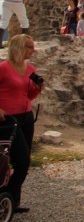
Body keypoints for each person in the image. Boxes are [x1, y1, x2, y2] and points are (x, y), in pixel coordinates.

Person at [0, 34, 43, 212]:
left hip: (26, 117)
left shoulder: (30, 68)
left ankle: (13, 201)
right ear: (19, 47)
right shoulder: (3, 68)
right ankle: (6, 197)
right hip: (9, 119)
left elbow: (30, 95)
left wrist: (38, 87)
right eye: (29, 47)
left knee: (22, 162)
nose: (33, 50)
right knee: (21, 160)